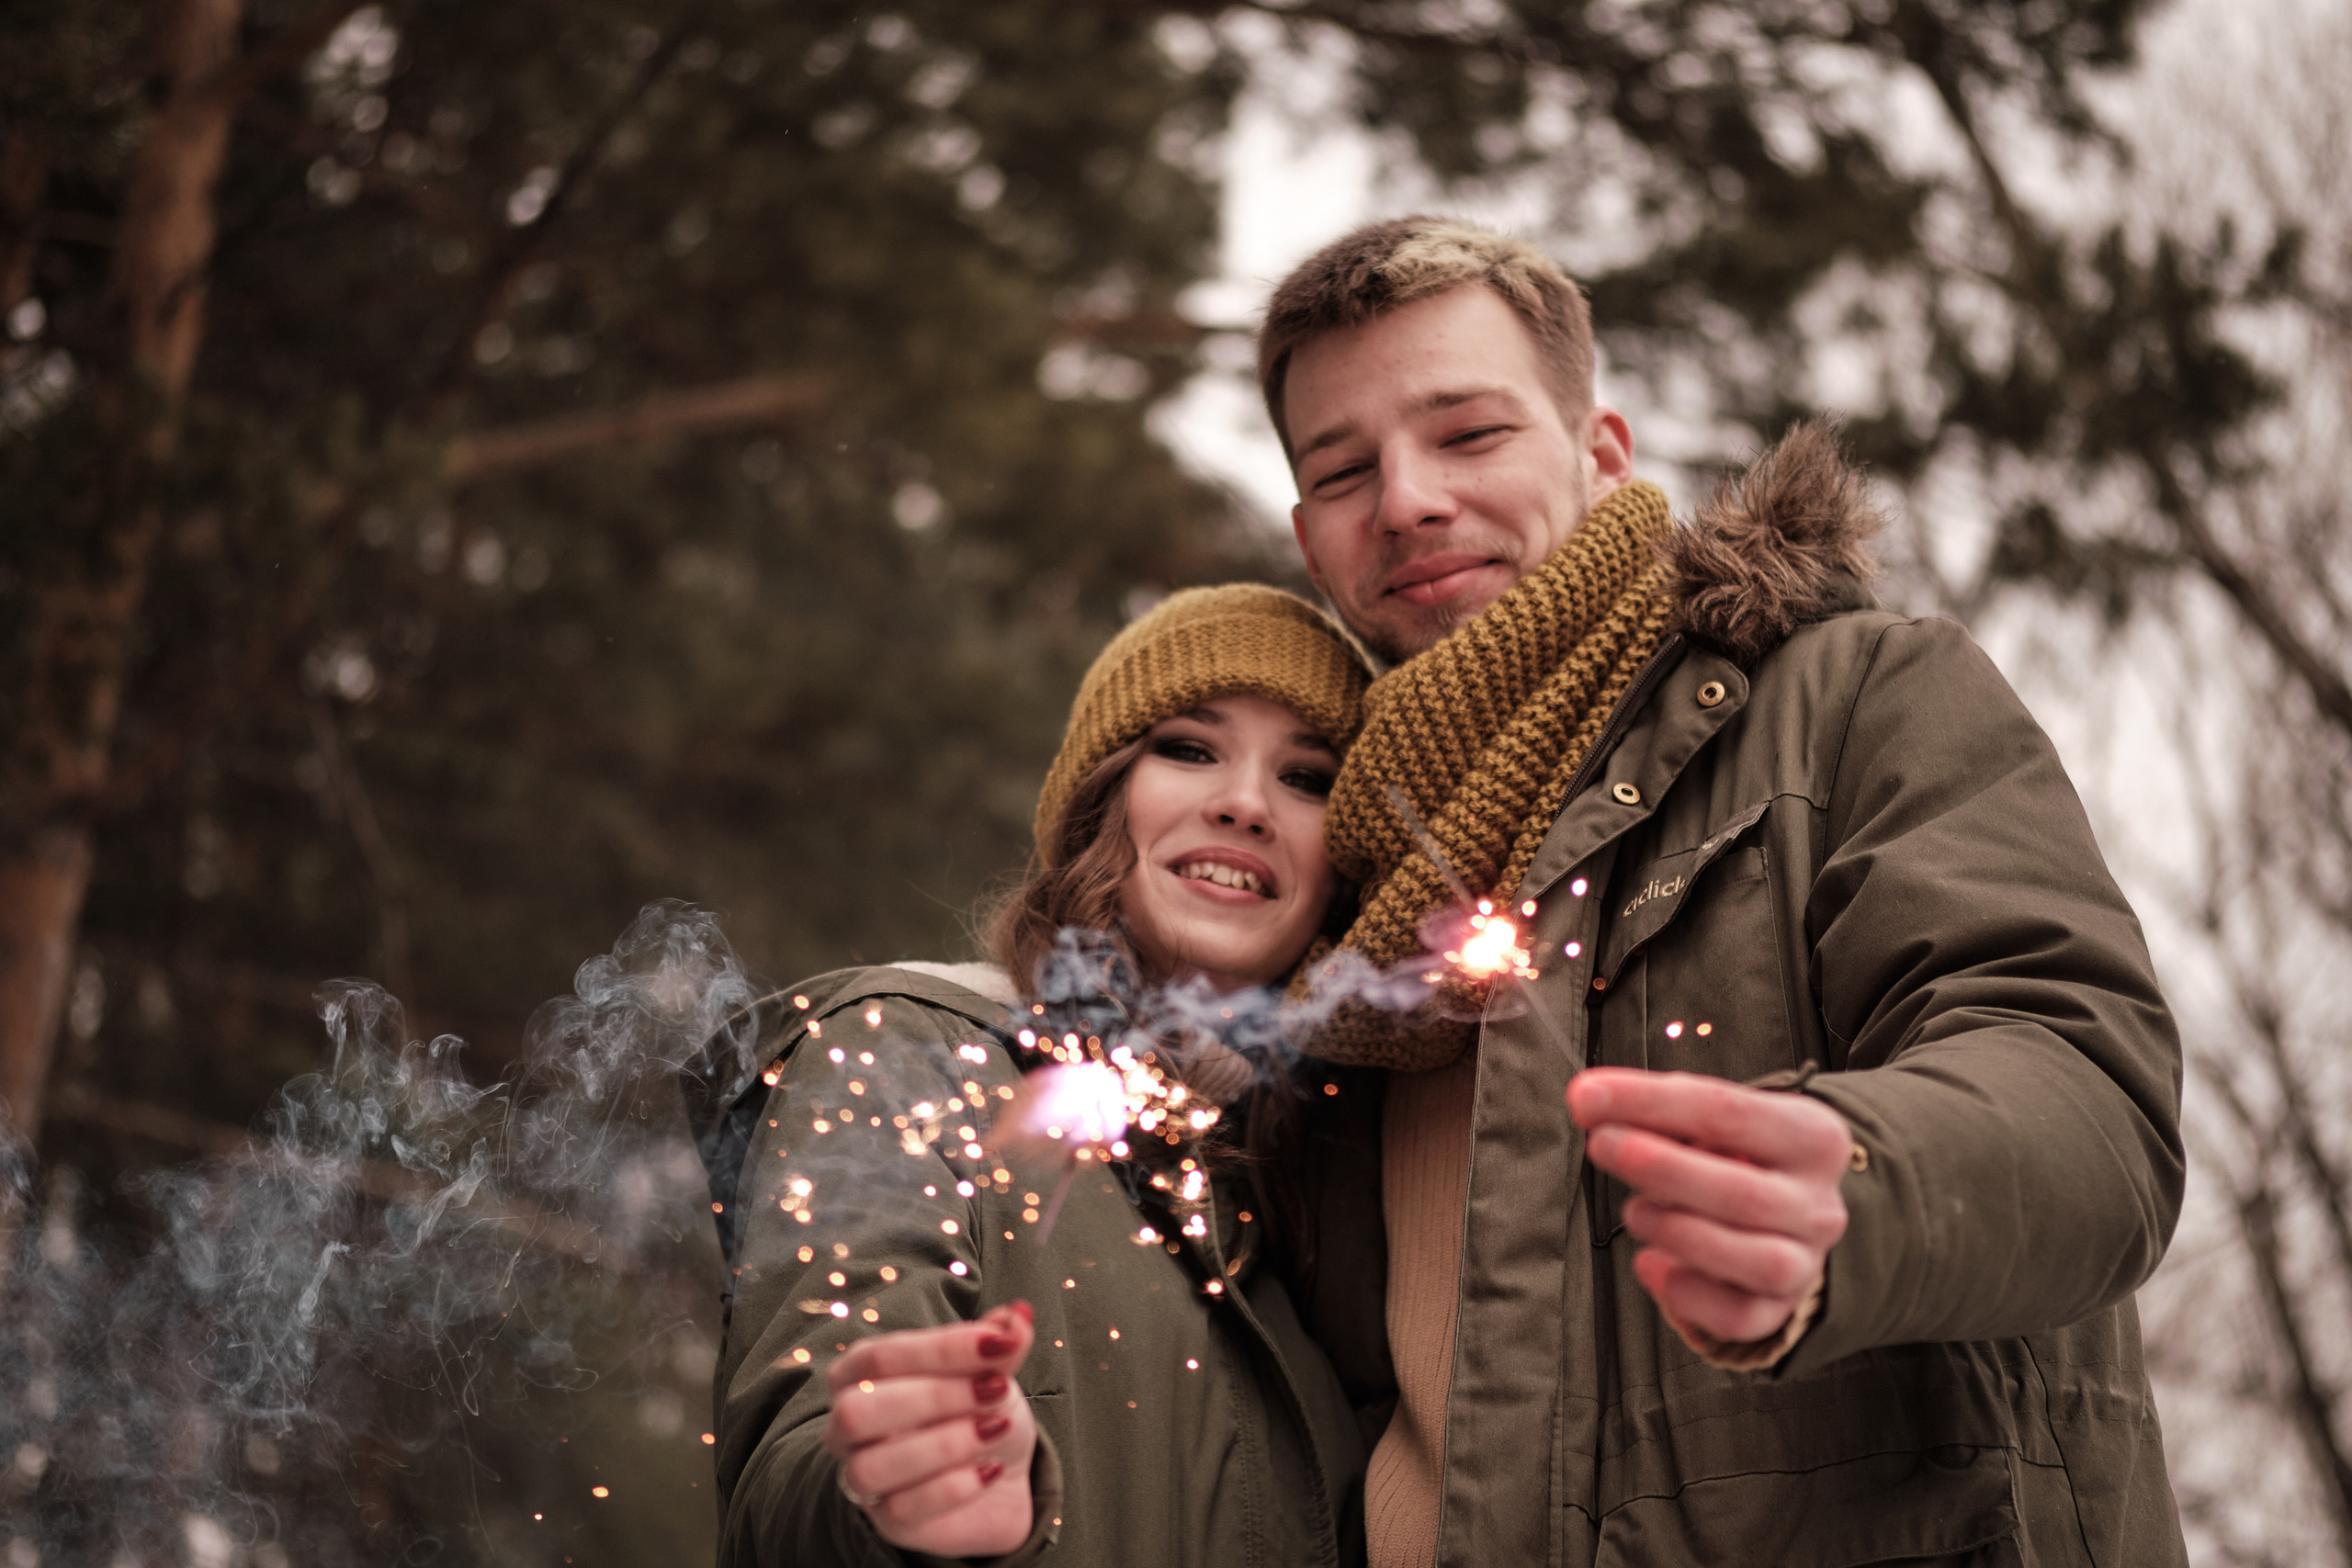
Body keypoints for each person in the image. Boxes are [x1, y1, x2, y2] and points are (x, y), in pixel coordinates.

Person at [1259, 218, 2188, 1565]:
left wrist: (1861, 1183)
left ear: (1603, 452)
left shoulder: (1853, 697)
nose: (1404, 498)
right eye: (1344, 468)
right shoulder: (1325, 912)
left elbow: (2091, 1097)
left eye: (1466, 434)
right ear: (1308, 536)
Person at [700, 585, 1379, 1567]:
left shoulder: (1318, 1210)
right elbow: (795, 1461)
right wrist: (894, 1502)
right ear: (1102, 797)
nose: (1244, 803)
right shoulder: (910, 1052)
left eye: (1308, 778)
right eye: (1189, 748)